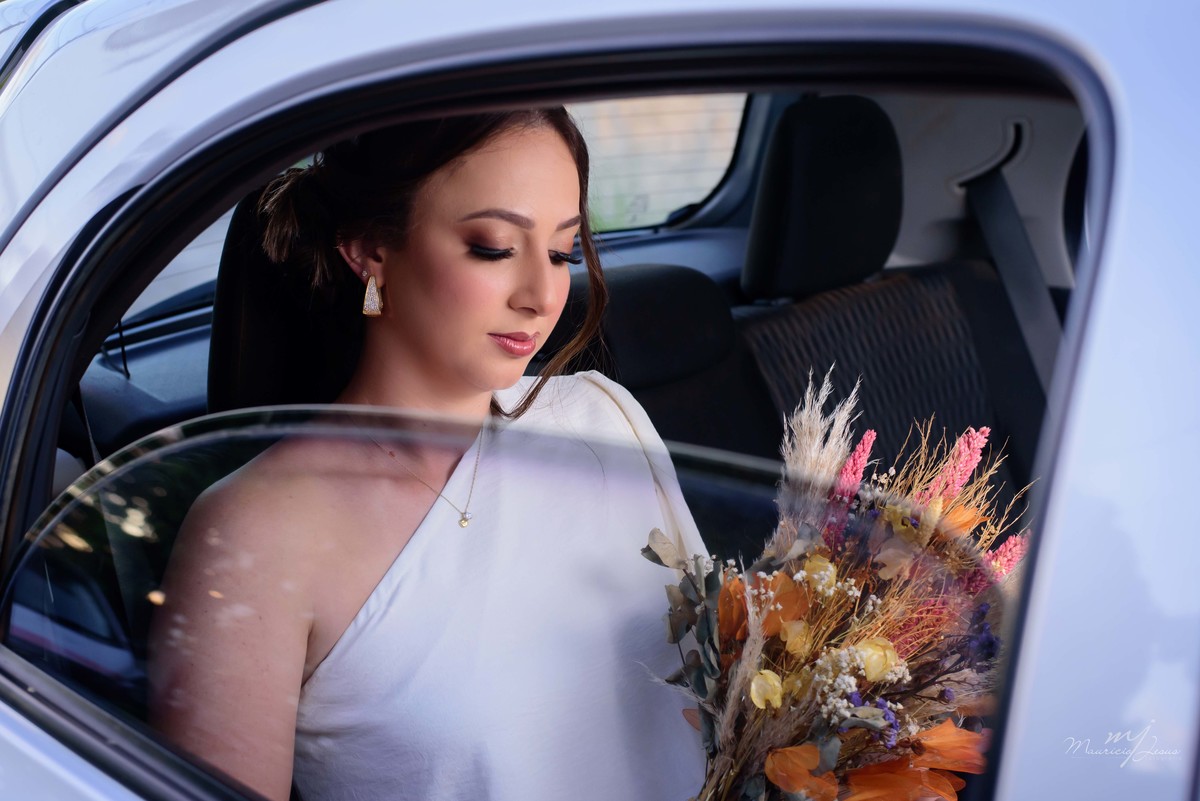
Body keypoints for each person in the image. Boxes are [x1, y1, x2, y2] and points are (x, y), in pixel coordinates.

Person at [148, 108, 707, 801]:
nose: (542, 297)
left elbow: (719, 697)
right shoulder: (256, 533)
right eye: (494, 248)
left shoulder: (603, 420)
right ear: (371, 249)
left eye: (562, 252)